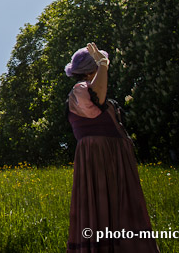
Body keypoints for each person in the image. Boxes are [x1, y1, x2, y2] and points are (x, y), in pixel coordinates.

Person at [64, 43, 159, 252]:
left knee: (120, 210)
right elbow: (95, 100)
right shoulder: (80, 90)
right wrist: (103, 65)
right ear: (90, 71)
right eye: (97, 68)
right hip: (100, 157)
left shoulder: (91, 91)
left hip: (113, 157)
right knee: (104, 208)